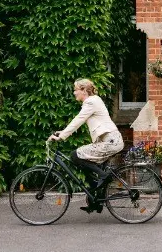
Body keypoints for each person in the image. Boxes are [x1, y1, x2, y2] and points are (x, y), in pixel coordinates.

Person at [48, 78, 124, 213]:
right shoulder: (95, 100)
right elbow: (79, 121)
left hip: (109, 142)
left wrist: (63, 136)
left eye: (75, 90)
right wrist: (63, 132)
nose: (74, 93)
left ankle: (104, 176)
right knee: (83, 161)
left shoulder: (90, 102)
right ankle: (95, 197)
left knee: (75, 155)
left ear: (83, 90)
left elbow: (79, 120)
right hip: (111, 141)